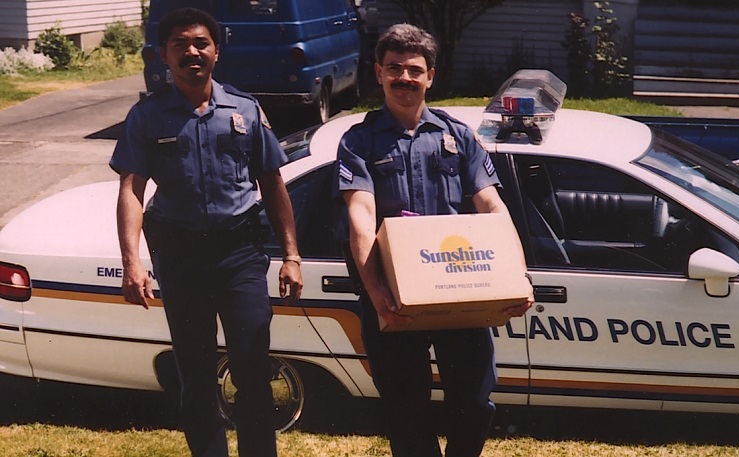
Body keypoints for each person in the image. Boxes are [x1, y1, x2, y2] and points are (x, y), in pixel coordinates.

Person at [111, 7, 302, 457]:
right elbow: (132, 190)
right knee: (195, 374)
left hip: (240, 254)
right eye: (180, 44)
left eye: (201, 43)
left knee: (252, 368)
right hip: (181, 258)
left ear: (217, 51)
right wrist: (132, 263)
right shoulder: (147, 116)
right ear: (163, 55)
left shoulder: (246, 109)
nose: (191, 52)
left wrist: (291, 254)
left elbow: (273, 184)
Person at [337, 23, 532, 457]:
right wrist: (377, 293)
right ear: (378, 72)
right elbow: (361, 217)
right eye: (394, 69)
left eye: (413, 70)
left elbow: (492, 207)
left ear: (430, 76)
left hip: (459, 290)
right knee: (405, 411)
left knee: (475, 403)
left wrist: (518, 279)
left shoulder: (458, 137)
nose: (404, 78)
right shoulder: (358, 141)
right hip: (393, 297)